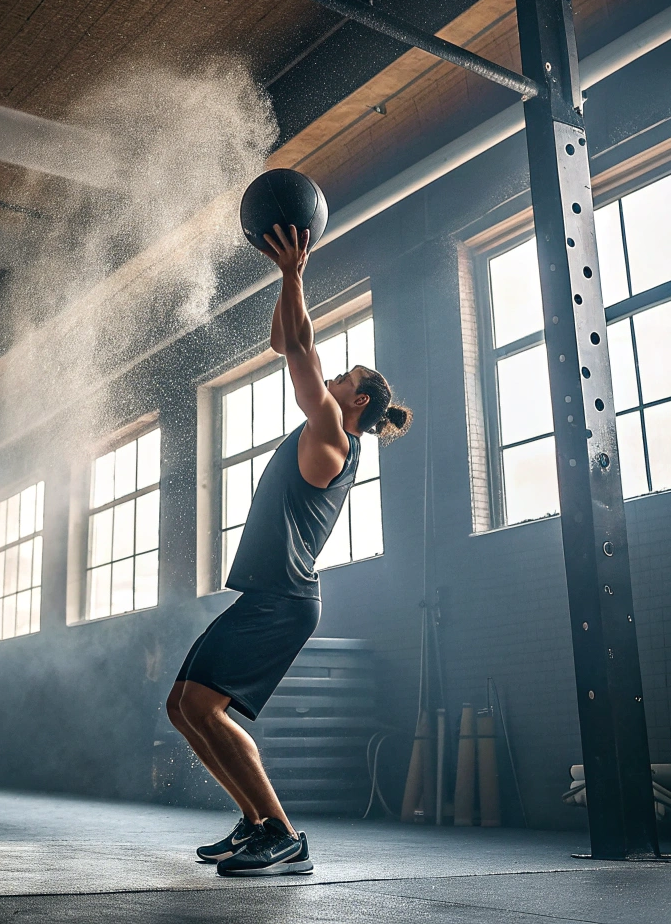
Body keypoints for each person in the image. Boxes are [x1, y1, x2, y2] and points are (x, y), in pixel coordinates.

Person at [167, 222, 412, 877]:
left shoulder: (335, 433)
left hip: (284, 601)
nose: (331, 377)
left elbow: (298, 344)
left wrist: (294, 270)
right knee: (183, 706)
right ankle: (255, 824)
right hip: (272, 595)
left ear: (356, 400)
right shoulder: (327, 426)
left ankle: (282, 834)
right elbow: (284, 340)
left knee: (199, 706)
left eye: (344, 376)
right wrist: (287, 287)